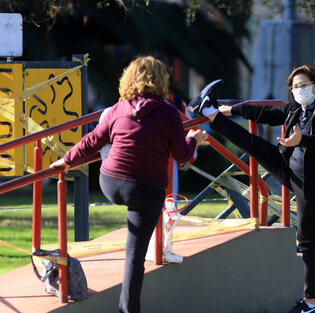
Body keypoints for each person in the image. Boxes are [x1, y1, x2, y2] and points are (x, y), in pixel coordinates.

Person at [50, 56, 208, 313]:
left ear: (128, 80)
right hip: (147, 189)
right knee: (134, 257)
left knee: (109, 140)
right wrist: (194, 139)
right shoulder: (169, 112)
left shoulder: (115, 109)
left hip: (110, 182)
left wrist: (66, 160)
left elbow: (91, 140)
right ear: (161, 82)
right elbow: (183, 157)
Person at [188, 65, 315, 313]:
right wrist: (231, 109)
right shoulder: (297, 109)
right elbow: (266, 113)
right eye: (295, 87)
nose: (299, 90)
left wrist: (301, 140)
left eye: (304, 85)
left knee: (308, 241)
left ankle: (310, 304)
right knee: (254, 145)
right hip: (292, 171)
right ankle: (209, 110)